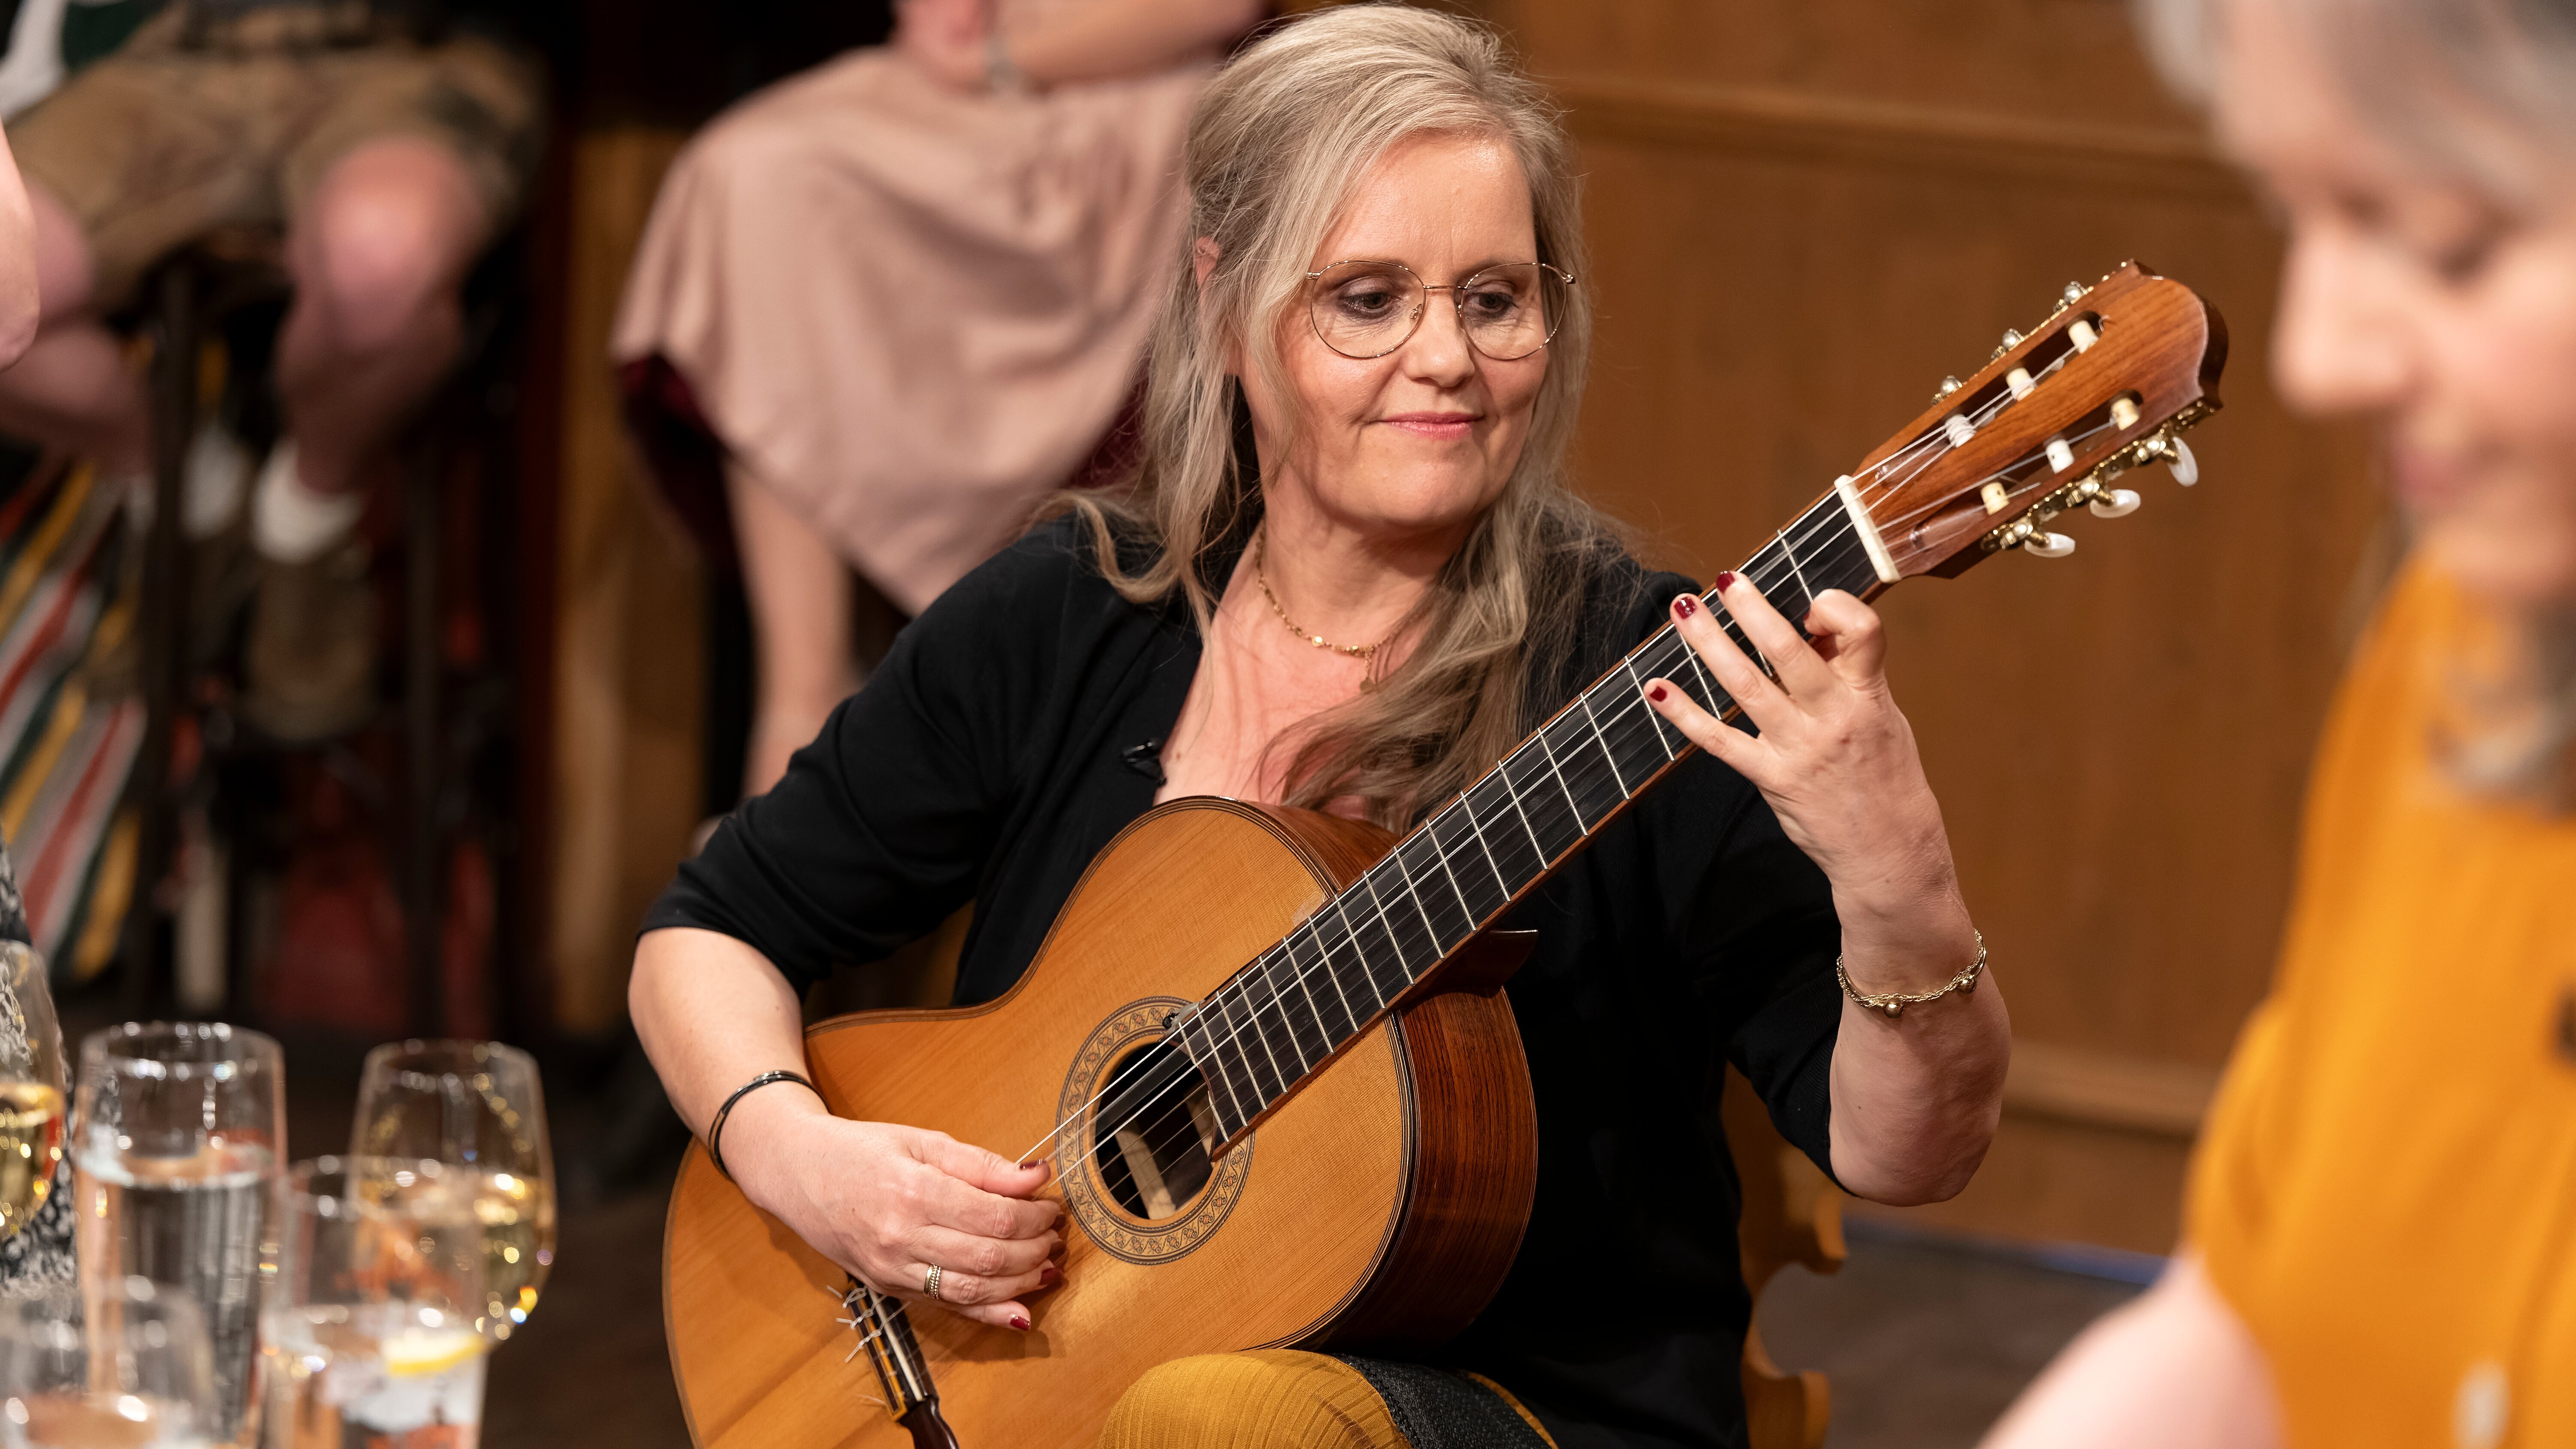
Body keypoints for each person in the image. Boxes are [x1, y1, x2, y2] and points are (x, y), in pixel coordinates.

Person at [631, 9, 2012, 1447]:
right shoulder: (1072, 614)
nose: (1446, 357)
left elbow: (1906, 1153)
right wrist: (799, 1153)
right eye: (1368, 298)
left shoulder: (1655, 677)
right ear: (1225, 307)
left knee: (1221, 1419)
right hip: (1058, 1390)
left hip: (1535, 1413)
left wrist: (1899, 873)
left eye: (1496, 298)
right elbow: (708, 930)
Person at [1981, 0, 2576, 1445]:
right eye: (2296, 213)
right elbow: (2251, 1317)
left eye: (2446, 242)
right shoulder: (2462, 644)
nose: (2313, 360)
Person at [614, 0, 1264, 796]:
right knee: (747, 177)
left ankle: (865, 719)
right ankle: (802, 692)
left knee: (792, 182)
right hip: (958, 73)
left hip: (1127, 79)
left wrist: (1006, 60)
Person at [0, 0, 544, 740]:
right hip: (173, 45)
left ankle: (306, 527)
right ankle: (192, 498)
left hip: (417, 50)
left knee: (381, 265)